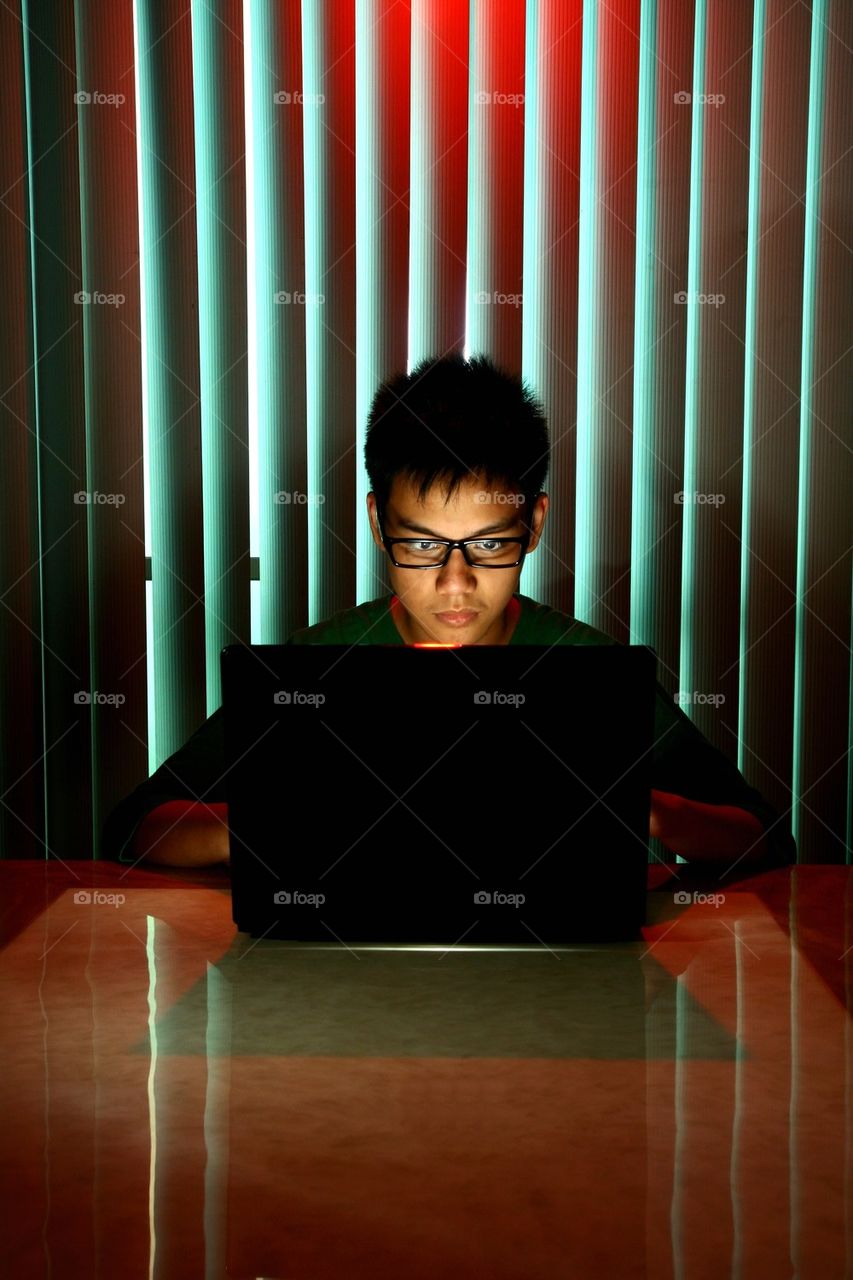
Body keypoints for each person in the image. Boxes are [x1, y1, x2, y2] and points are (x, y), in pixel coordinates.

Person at [102, 353, 796, 874]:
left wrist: (640, 807)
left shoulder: (584, 669)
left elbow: (764, 841)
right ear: (378, 525)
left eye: (489, 544)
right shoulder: (322, 663)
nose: (455, 583)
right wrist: (266, 827)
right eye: (423, 545)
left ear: (533, 525)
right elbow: (137, 826)